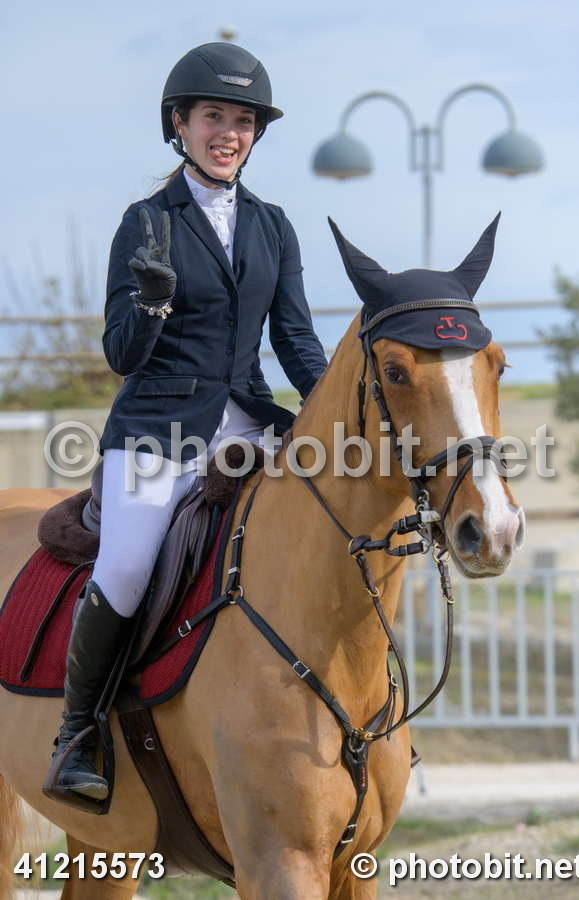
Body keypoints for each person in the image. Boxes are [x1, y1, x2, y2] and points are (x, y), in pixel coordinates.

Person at [44, 41, 328, 805]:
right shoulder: (146, 222)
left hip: (248, 425)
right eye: (213, 117)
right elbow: (120, 354)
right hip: (157, 429)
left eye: (242, 121)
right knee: (126, 565)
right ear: (180, 124)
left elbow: (296, 341)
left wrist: (333, 409)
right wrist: (153, 302)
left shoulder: (273, 226)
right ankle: (76, 733)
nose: (228, 133)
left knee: (328, 530)